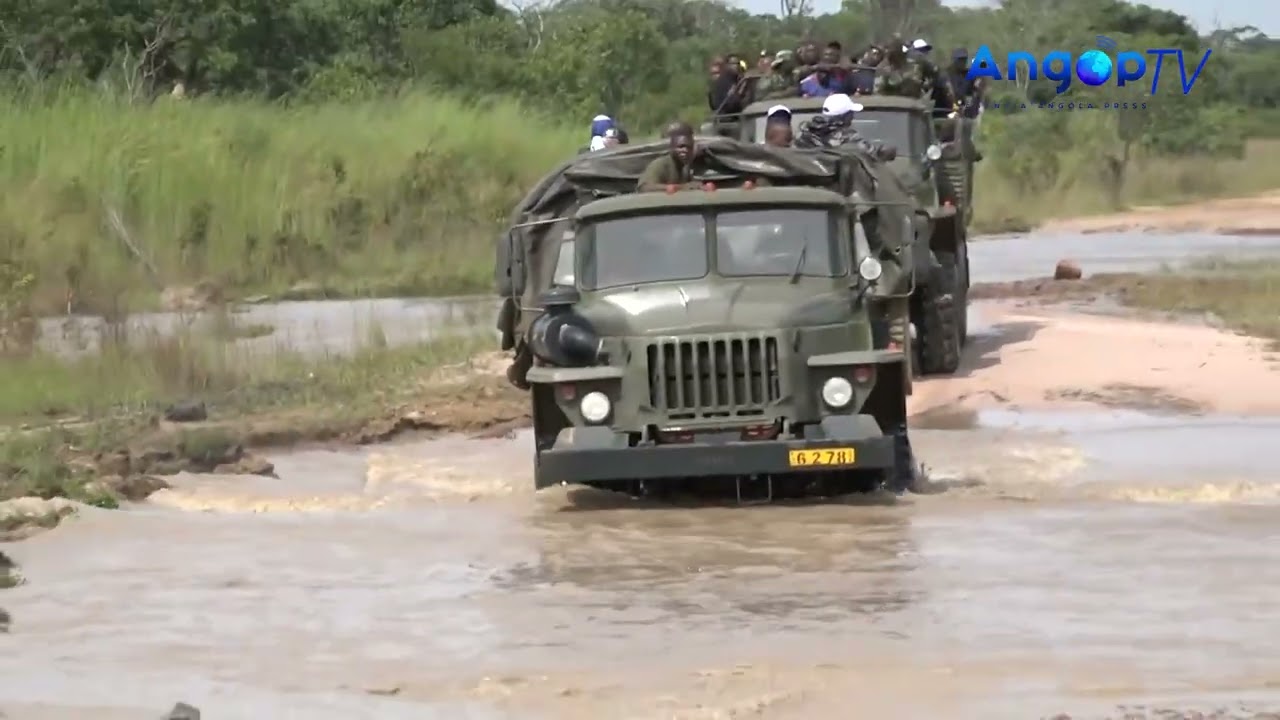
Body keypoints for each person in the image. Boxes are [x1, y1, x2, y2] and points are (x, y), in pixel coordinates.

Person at [793, 93, 896, 161]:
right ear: (845, 116)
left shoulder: (805, 132)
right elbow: (874, 158)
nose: (852, 116)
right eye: (850, 113)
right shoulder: (849, 137)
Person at [638, 123, 705, 192]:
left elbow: (690, 186)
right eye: (681, 147)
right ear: (671, 148)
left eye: (689, 147)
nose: (685, 150)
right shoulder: (660, 165)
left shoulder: (685, 168)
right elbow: (644, 188)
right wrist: (681, 187)